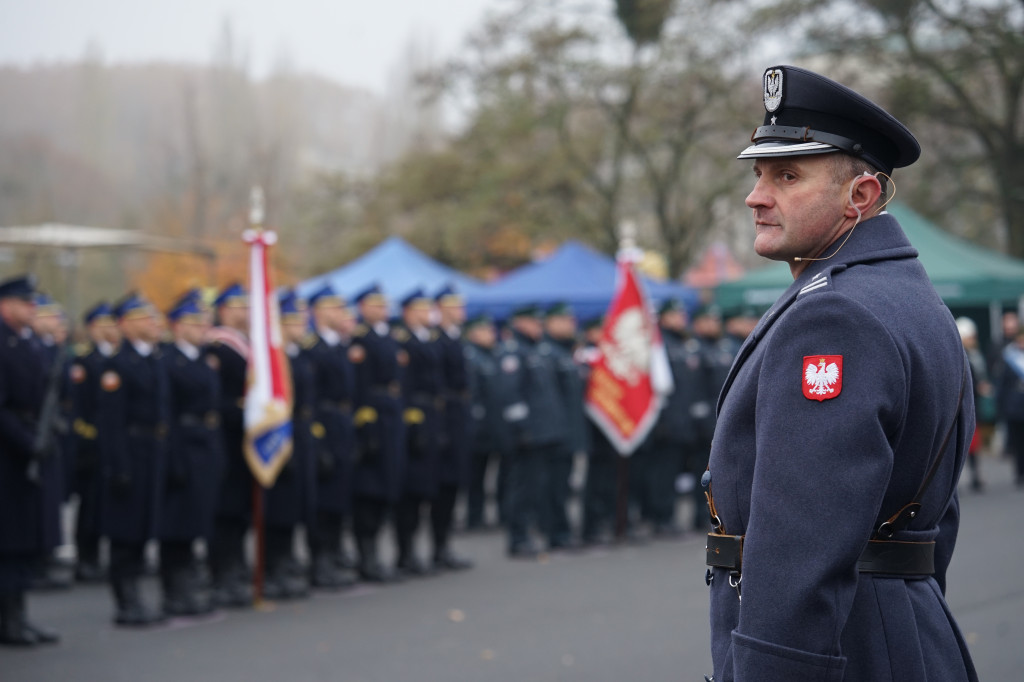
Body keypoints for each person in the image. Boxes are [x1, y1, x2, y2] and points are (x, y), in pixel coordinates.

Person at [704, 65, 977, 681]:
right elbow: (934, 517)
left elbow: (800, 544)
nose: (756, 195)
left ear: (862, 197)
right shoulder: (906, 295)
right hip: (899, 634)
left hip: (840, 653)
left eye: (788, 175)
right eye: (758, 174)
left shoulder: (834, 315)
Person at [97, 292, 169, 627]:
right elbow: (111, 423)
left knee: (142, 530)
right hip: (129, 452)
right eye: (145, 318)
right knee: (125, 532)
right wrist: (119, 465)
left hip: (152, 453)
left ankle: (137, 595)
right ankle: (126, 601)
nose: (154, 324)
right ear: (125, 324)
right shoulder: (116, 364)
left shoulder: (155, 359)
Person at [0, 275, 61, 646]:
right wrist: (27, 442)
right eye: (25, 302)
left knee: (24, 539)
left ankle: (18, 614)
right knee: (8, 541)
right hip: (8, 454)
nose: (32, 309)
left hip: (29, 448)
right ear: (5, 304)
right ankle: (9, 619)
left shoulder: (29, 342)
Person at [158, 292, 224, 616]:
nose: (202, 328)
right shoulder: (169, 360)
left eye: (204, 322)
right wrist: (174, 458)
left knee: (197, 517)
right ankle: (174, 589)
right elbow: (167, 414)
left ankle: (188, 584)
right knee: (177, 523)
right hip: (182, 445)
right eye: (195, 323)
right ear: (177, 326)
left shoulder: (202, 359)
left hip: (205, 445)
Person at [348, 284, 405, 582]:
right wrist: (364, 422)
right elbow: (358, 384)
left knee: (387, 486)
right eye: (375, 304)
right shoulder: (361, 340)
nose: (382, 309)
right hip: (372, 418)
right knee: (368, 491)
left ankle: (375, 552)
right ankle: (365, 554)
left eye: (384, 304)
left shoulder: (390, 336)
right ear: (362, 308)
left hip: (391, 416)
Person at [303, 285, 357, 589]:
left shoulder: (339, 346)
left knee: (340, 493)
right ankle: (320, 559)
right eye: (333, 308)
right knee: (323, 497)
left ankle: (334, 552)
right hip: (323, 425)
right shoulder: (314, 348)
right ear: (319, 312)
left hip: (342, 423)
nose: (340, 314)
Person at [205, 283, 253, 608]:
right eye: (236, 306)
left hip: (246, 436)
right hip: (226, 436)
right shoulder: (218, 347)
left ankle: (236, 567)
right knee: (224, 509)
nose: (244, 312)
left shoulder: (248, 344)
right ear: (222, 310)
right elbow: (216, 399)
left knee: (242, 508)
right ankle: (220, 572)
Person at [68, 302, 120, 583]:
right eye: (102, 325)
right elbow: (77, 409)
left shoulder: (115, 359)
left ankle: (101, 556)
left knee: (106, 506)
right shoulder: (84, 362)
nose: (109, 330)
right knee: (88, 506)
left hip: (111, 445)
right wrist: (91, 437)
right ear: (91, 328)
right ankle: (85, 558)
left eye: (112, 324)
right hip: (90, 445)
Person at [390, 288, 441, 578]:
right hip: (412, 421)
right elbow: (404, 386)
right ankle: (404, 552)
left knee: (427, 490)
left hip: (431, 419)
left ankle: (424, 549)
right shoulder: (404, 341)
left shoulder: (428, 339)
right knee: (410, 492)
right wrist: (411, 421)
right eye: (420, 309)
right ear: (408, 312)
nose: (426, 314)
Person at [430, 285, 474, 571]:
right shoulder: (438, 340)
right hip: (443, 417)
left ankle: (444, 545)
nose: (461, 310)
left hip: (459, 416)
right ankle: (437, 546)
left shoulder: (457, 338)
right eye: (454, 305)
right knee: (440, 484)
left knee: (453, 484)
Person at [956, 316, 992, 491]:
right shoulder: (960, 356)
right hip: (962, 409)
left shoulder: (973, 355)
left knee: (972, 446)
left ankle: (974, 477)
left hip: (970, 407)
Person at [996, 328, 1024, 487]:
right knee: (1018, 443)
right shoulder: (1010, 359)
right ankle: (1020, 472)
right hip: (1015, 407)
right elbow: (1003, 384)